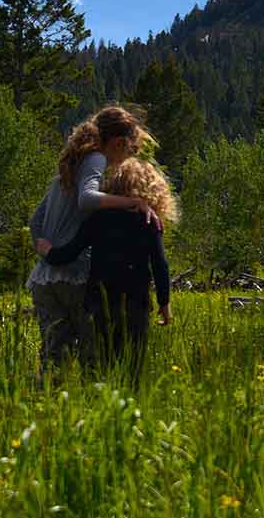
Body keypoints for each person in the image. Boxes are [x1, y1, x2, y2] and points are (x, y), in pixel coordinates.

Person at [27, 106, 159, 373]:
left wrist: (45, 250)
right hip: (75, 276)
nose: (128, 157)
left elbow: (35, 220)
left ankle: (47, 399)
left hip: (45, 278)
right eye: (130, 149)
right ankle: (96, 398)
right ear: (118, 142)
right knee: (93, 354)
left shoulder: (70, 166)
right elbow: (87, 199)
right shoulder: (96, 158)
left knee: (54, 357)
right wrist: (133, 202)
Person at [37, 154, 175, 380]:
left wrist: (47, 251)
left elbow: (69, 253)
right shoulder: (149, 221)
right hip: (135, 303)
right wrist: (164, 303)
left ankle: (99, 397)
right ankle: (130, 398)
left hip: (100, 303)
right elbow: (160, 265)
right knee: (133, 365)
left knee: (102, 362)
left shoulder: (98, 219)